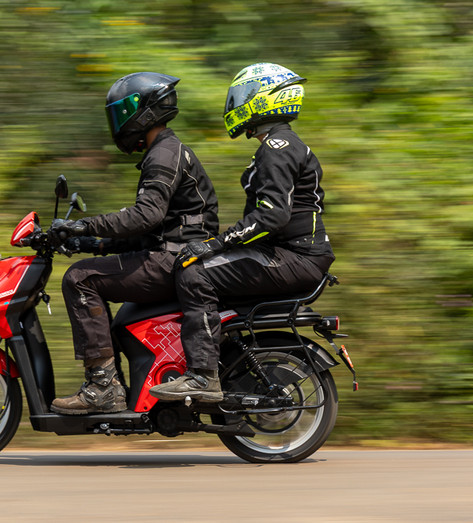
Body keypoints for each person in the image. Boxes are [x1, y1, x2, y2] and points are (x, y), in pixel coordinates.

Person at [150, 62, 335, 403]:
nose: (234, 104)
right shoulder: (284, 144)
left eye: (242, 96)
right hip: (294, 254)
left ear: (263, 99)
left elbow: (272, 216)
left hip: (294, 256)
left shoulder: (277, 148)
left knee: (194, 272)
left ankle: (202, 376)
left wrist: (215, 244)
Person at [50, 72, 219, 415]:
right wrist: (90, 242)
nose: (117, 122)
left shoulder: (163, 155)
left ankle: (103, 387)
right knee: (116, 317)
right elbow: (150, 231)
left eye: (120, 112)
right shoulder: (167, 151)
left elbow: (145, 217)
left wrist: (83, 223)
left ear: (141, 111)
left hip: (175, 260)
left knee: (80, 279)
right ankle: (118, 387)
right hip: (176, 255)